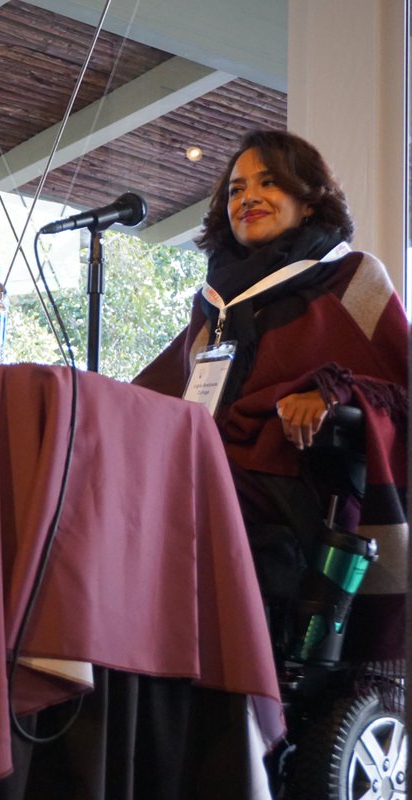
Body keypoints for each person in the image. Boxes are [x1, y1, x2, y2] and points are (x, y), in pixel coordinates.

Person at [134, 129, 407, 663]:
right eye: (236, 189)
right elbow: (160, 391)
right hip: (212, 467)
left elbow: (401, 387)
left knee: (176, 489)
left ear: (308, 201)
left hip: (300, 482)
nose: (248, 197)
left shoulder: (352, 277)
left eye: (269, 183)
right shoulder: (216, 303)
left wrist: (333, 390)